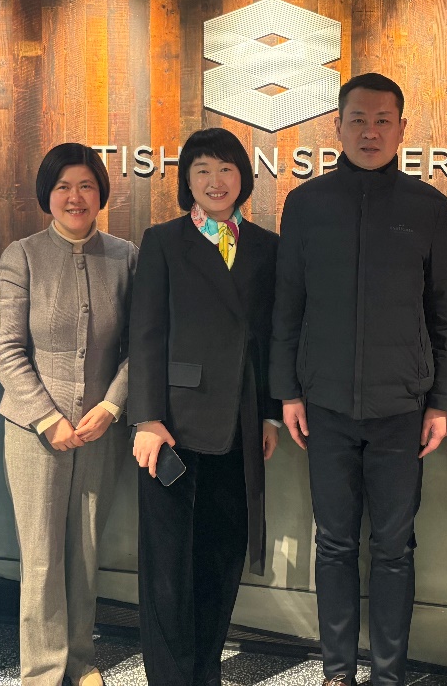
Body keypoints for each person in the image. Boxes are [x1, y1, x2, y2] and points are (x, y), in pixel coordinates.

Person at [269, 73, 447, 686]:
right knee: (333, 544)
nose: (370, 132)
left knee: (394, 547)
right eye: (358, 119)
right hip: (324, 405)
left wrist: (442, 402)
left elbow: (444, 312)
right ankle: (336, 671)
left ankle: (387, 674)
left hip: (402, 408)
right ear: (338, 126)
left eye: (383, 121)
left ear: (402, 129)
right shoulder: (305, 204)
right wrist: (288, 391)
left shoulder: (428, 207)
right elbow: (287, 306)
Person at [128, 127, 281, 686]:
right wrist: (147, 417)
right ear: (187, 182)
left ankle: (206, 669)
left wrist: (268, 412)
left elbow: (271, 336)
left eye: (226, 169)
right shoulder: (164, 240)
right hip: (173, 425)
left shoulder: (266, 245)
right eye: (203, 170)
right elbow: (145, 332)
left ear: (243, 177)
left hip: (240, 423)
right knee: (169, 563)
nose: (216, 181)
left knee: (222, 553)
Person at [0, 143, 138, 686]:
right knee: (42, 555)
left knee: (86, 549)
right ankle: (42, 670)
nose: (75, 197)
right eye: (63, 187)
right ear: (46, 195)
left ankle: (79, 660)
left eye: (86, 186)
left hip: (101, 429)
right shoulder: (22, 256)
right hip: (34, 432)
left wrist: (112, 405)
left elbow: (139, 345)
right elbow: (6, 349)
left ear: (101, 193)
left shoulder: (125, 256)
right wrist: (46, 417)